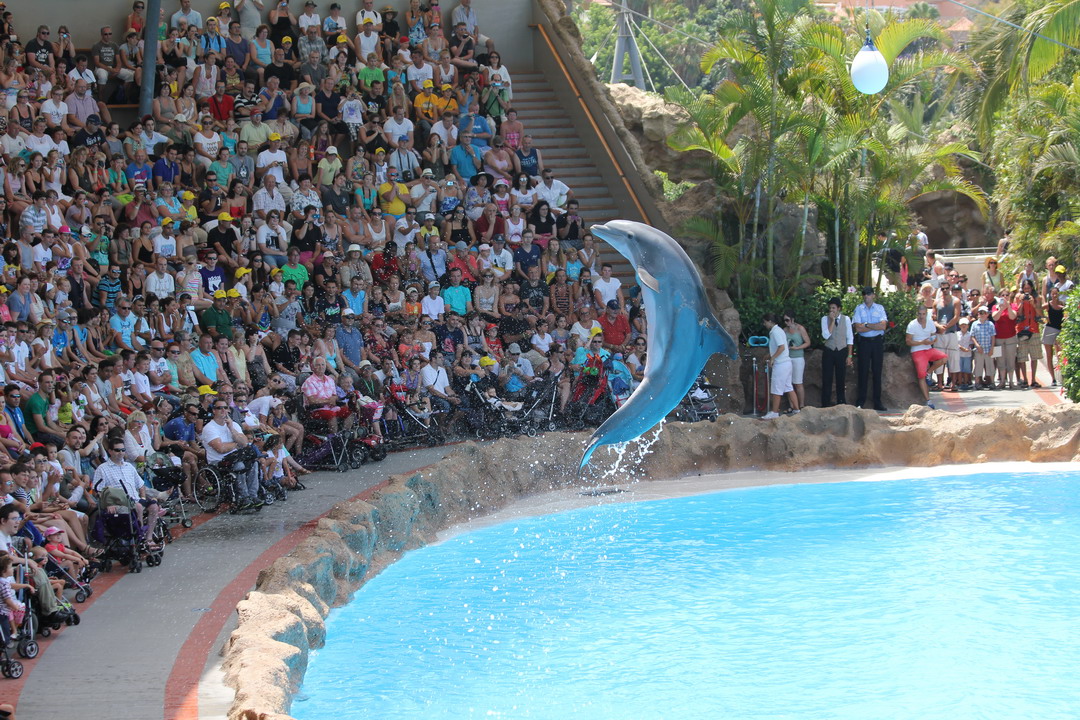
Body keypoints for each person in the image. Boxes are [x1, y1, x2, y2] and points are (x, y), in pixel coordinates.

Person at [852, 287, 887, 412]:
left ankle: (877, 402)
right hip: (864, 343)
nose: (866, 296)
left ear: (873, 295)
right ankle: (861, 401)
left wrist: (866, 324)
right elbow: (858, 328)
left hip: (877, 343)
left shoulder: (880, 308)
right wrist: (874, 326)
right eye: (864, 294)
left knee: (877, 372)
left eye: (868, 294)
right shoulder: (859, 309)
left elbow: (883, 325)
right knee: (863, 372)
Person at [906, 304, 947, 409]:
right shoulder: (912, 324)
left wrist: (932, 340)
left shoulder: (930, 323)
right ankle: (928, 400)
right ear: (917, 314)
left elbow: (934, 336)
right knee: (921, 375)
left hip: (928, 349)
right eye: (919, 314)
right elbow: (908, 341)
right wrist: (921, 342)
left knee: (944, 358)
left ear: (926, 314)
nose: (921, 316)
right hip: (917, 350)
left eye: (923, 314)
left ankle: (929, 372)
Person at [761, 312, 798, 419]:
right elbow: (779, 347)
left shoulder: (776, 332)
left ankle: (774, 412)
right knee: (788, 387)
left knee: (777, 388)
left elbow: (781, 347)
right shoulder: (778, 331)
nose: (764, 324)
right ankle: (796, 409)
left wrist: (773, 358)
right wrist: (769, 355)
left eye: (765, 322)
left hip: (781, 364)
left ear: (770, 322)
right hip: (786, 363)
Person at [820, 297, 853, 407]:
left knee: (841, 378)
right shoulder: (825, 319)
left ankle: (841, 402)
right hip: (829, 350)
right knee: (827, 378)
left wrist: (849, 355)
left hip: (841, 351)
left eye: (833, 308)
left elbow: (850, 338)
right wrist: (832, 321)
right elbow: (825, 335)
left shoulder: (846, 319)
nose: (831, 310)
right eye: (830, 308)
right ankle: (825, 404)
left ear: (839, 308)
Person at [782, 311, 810, 410]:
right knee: (788, 383)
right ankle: (792, 405)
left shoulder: (800, 328)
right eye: (784, 320)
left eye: (787, 320)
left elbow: (807, 342)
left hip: (798, 357)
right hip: (787, 358)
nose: (786, 322)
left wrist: (797, 348)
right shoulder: (784, 330)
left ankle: (801, 405)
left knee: (798, 382)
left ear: (793, 320)